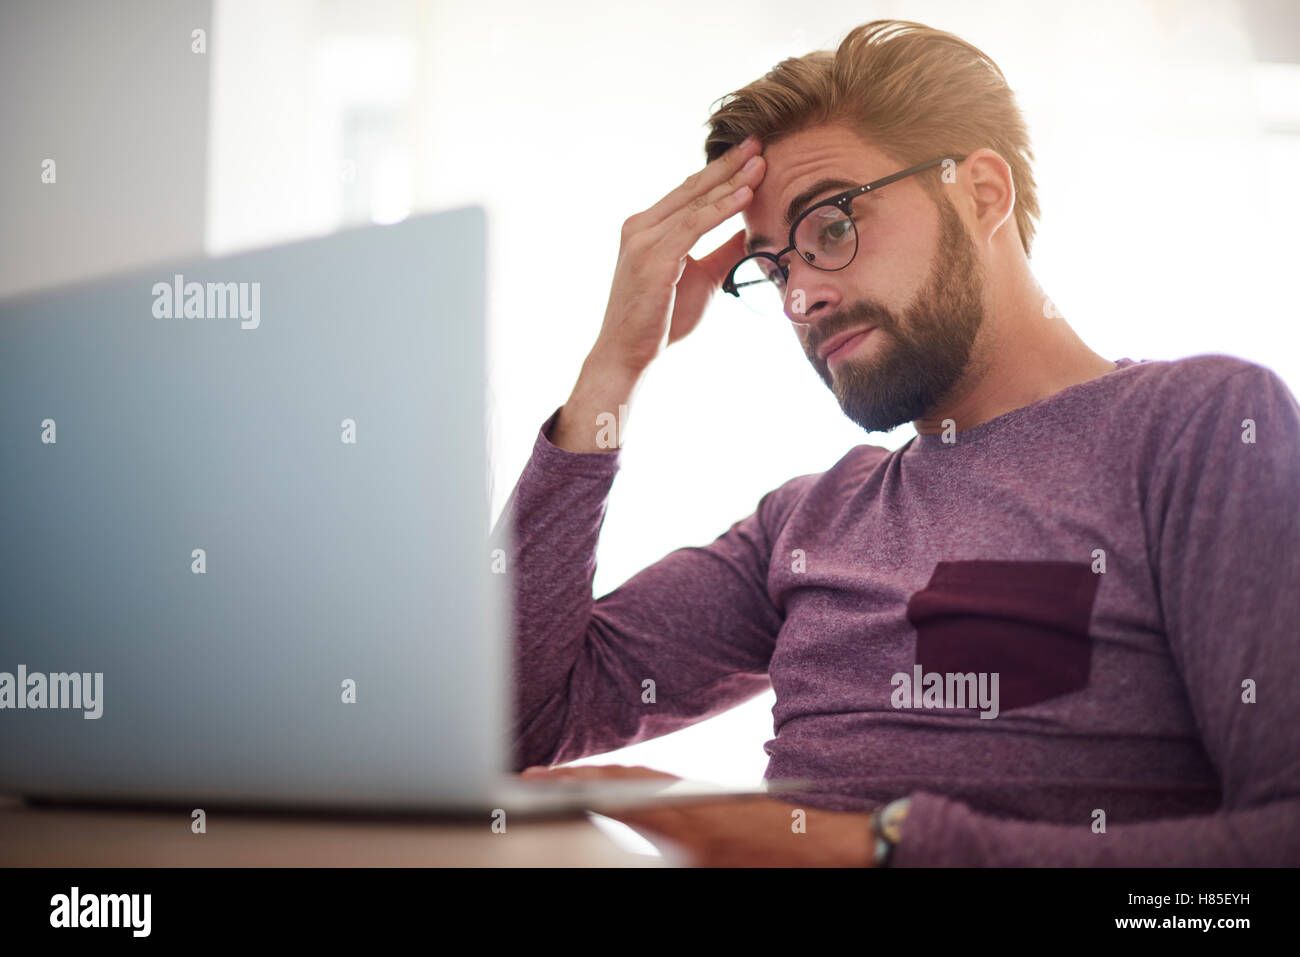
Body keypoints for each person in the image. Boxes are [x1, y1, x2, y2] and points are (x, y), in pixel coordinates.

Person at [493, 19, 1300, 866]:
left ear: (982, 194)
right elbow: (508, 721)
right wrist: (613, 369)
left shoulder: (1199, 430)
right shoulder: (805, 524)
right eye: (773, 270)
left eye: (831, 227)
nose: (800, 296)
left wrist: (871, 848)